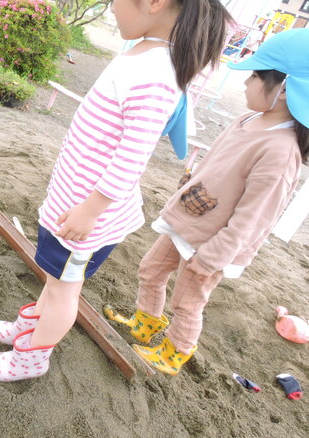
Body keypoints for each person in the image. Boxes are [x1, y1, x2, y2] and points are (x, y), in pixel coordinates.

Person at [0, 0, 232, 382]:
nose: (111, 3)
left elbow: (131, 158)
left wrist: (90, 211)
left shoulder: (157, 72)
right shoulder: (146, 51)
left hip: (87, 220)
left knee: (62, 293)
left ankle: (31, 358)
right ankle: (27, 328)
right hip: (75, 208)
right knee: (55, 284)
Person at [104, 28, 309, 375]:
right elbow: (212, 166)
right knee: (150, 271)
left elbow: (254, 218)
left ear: (287, 88)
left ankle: (176, 351)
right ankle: (147, 323)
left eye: (256, 76)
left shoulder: (280, 151)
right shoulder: (248, 119)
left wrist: (213, 257)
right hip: (189, 220)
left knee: (188, 301)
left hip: (212, 244)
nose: (245, 82)